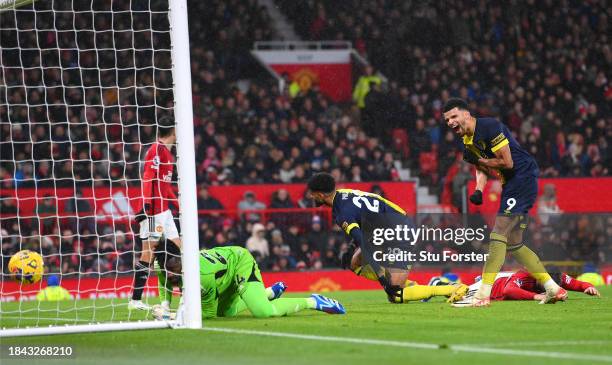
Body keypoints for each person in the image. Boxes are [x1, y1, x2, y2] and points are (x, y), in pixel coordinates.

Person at [442, 98, 565, 307]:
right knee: (515, 244)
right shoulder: (467, 141)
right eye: (447, 120)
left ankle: (482, 295)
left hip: (521, 178)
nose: (450, 122)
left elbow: (507, 163)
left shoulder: (490, 127)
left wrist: (479, 161)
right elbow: (479, 168)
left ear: (466, 114)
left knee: (498, 234)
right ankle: (553, 288)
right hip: (511, 184)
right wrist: (478, 190)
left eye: (454, 117)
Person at [306, 172, 468, 303]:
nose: (311, 197)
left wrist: (384, 281)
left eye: (313, 195)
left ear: (321, 194)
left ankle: (453, 289)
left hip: (400, 232)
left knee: (396, 295)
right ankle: (409, 284)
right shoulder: (344, 194)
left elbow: (365, 244)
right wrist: (350, 249)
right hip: (386, 229)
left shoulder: (342, 213)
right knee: (354, 262)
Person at [152, 246, 345, 320]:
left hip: (239, 264)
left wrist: (169, 316)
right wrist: (164, 305)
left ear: (183, 260)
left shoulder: (202, 276)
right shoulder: (162, 265)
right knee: (225, 312)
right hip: (223, 276)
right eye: (166, 270)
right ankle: (268, 293)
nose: (170, 275)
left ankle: (314, 301)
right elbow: (164, 283)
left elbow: (207, 314)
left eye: (174, 269)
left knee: (263, 312)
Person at [130, 116, 182, 311]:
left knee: (179, 248)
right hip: (154, 213)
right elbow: (147, 179)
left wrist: (177, 204)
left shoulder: (169, 154)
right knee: (148, 254)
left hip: (165, 212)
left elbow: (165, 186)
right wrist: (146, 206)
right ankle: (135, 300)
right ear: (173, 132)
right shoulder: (156, 150)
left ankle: (187, 293)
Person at [453, 269, 600, 302]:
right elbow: (508, 290)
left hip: (504, 277)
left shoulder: (556, 276)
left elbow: (577, 284)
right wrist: (537, 296)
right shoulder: (527, 273)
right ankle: (439, 284)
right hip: (493, 285)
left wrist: (587, 287)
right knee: (457, 293)